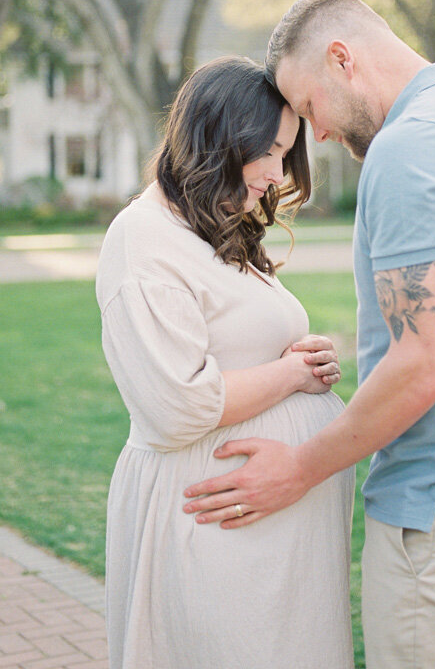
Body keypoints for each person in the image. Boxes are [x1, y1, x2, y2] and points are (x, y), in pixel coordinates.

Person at [184, 0, 435, 669]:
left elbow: (425, 363)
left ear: (342, 60)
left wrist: (298, 469)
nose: (320, 135)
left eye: (310, 109)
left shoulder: (412, 148)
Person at [96, 55, 355, 669]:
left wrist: (304, 358)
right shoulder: (143, 240)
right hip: (214, 519)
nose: (275, 172)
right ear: (218, 135)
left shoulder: (211, 228)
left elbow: (235, 342)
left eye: (284, 152)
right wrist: (292, 376)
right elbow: (178, 403)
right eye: (266, 149)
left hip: (267, 530)